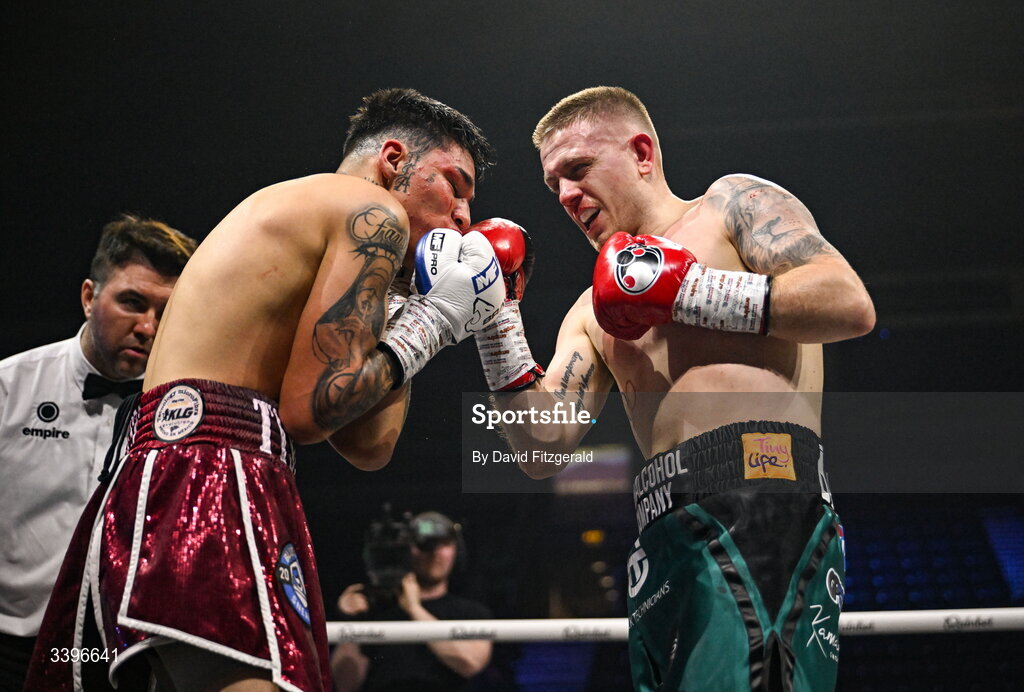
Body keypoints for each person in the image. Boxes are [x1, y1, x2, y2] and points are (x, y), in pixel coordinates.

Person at [24, 88, 504, 692]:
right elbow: (309, 411)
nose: (464, 215)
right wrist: (440, 319)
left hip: (176, 473)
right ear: (392, 160)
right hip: (208, 475)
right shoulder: (368, 213)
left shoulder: (315, 219)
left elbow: (368, 444)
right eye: (452, 185)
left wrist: (419, 310)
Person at [471, 87, 875, 690]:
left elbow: (849, 305)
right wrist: (494, 321)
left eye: (578, 170)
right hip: (661, 531)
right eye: (553, 183)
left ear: (641, 153)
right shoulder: (591, 310)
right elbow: (541, 448)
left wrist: (689, 292)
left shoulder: (731, 205)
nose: (565, 195)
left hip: (762, 499)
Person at [0, 215, 196, 690]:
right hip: (10, 648)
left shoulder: (188, 411)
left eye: (165, 313)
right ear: (89, 297)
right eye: (132, 302)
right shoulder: (10, 388)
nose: (148, 327)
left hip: (120, 655)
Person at [331, 511, 492, 692]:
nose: (433, 553)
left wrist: (415, 609)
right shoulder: (379, 610)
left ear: (457, 551)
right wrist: (352, 623)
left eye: (443, 544)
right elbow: (343, 684)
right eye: (424, 545)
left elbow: (470, 662)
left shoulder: (470, 612)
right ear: (406, 549)